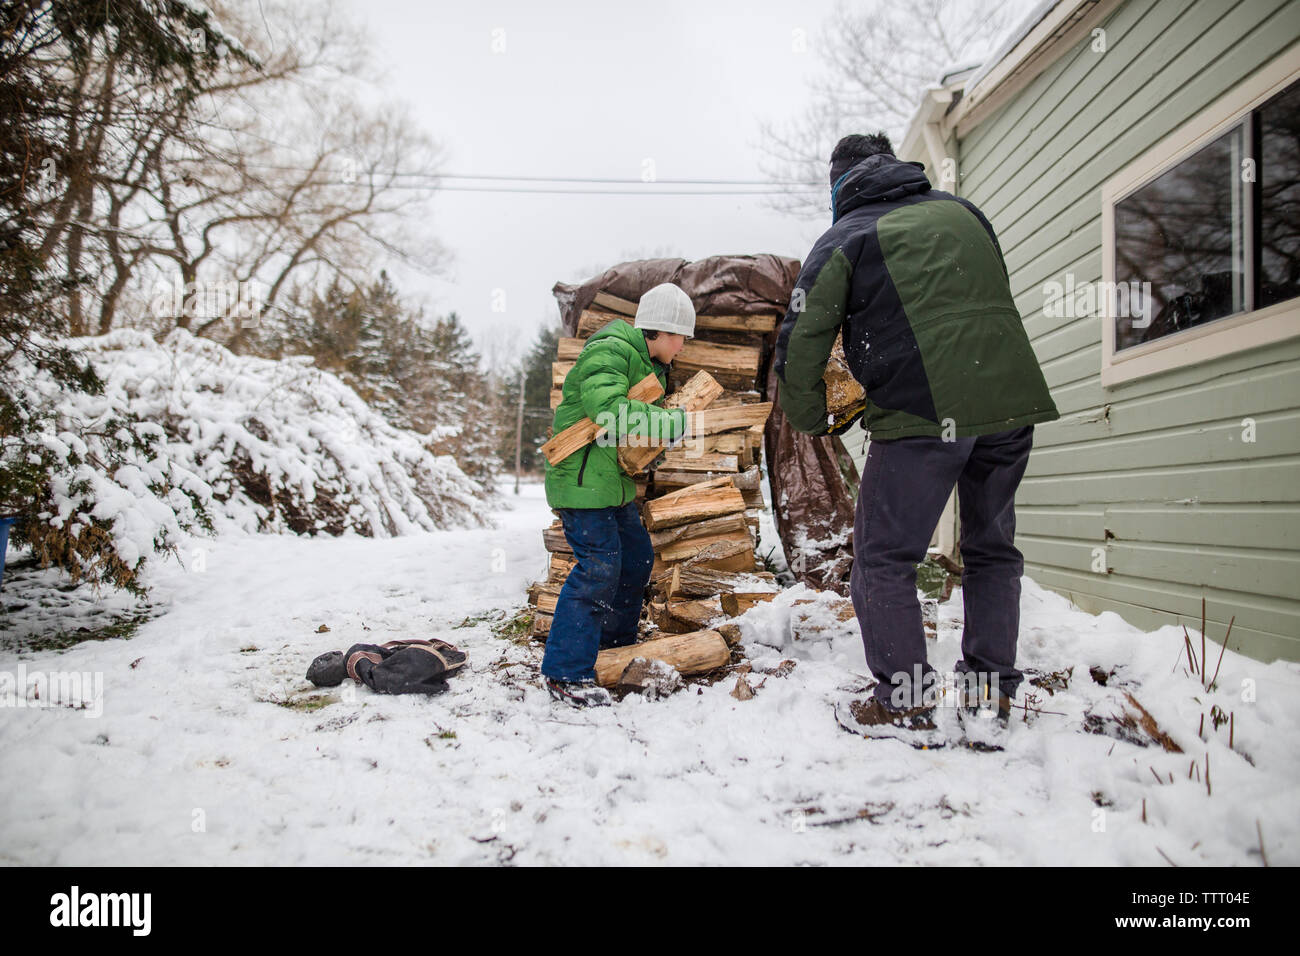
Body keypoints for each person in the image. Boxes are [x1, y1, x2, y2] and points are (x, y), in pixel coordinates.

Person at [774, 132, 1060, 746]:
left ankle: (903, 704)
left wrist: (811, 417)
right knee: (991, 549)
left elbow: (802, 341)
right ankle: (991, 692)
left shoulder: (847, 236)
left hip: (924, 410)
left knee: (884, 559)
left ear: (838, 185)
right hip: (1009, 402)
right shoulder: (963, 213)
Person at [541, 283, 695, 707]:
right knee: (598, 569)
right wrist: (670, 425)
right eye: (680, 336)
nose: (682, 346)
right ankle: (564, 672)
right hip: (581, 486)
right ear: (658, 331)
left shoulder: (649, 364)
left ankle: (614, 647)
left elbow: (627, 435)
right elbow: (607, 410)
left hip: (610, 487)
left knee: (637, 557)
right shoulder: (609, 350)